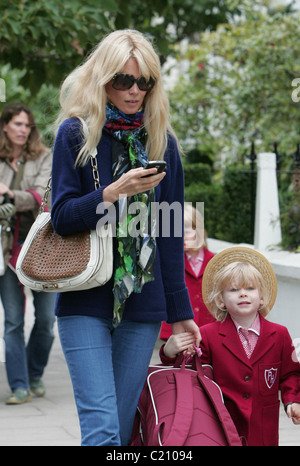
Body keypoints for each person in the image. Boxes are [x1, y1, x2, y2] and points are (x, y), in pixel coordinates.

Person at [51, 29, 200, 446]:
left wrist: (180, 311)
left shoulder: (163, 144)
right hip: (84, 296)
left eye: (144, 81)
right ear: (103, 80)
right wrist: (112, 193)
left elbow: (170, 237)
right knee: (101, 429)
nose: (134, 91)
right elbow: (62, 217)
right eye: (123, 81)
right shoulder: (76, 135)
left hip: (143, 304)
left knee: (119, 425)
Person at [161, 246, 300, 446]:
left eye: (250, 288)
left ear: (262, 297)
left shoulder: (279, 334)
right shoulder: (207, 334)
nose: (242, 294)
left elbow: (291, 374)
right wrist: (169, 352)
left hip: (263, 433)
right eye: (234, 290)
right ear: (221, 300)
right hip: (221, 429)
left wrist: (292, 400)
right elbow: (191, 373)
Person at [0, 103, 56, 404]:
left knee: (47, 320)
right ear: (6, 126)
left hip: (41, 250)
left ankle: (35, 372)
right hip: (5, 251)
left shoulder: (43, 157)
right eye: (17, 124)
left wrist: (9, 194)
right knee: (12, 321)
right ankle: (19, 385)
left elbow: (42, 196)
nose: (23, 130)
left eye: (27, 125)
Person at [160, 204, 214, 340]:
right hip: (177, 331)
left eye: (186, 232)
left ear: (200, 233)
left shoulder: (215, 263)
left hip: (210, 330)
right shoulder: (171, 262)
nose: (181, 237)